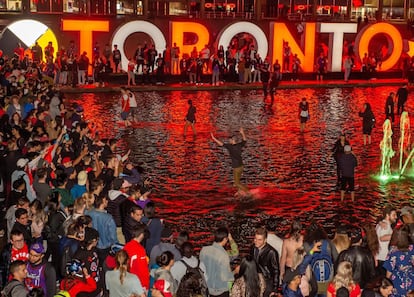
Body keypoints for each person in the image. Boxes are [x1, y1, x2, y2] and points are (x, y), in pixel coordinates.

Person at [211, 128, 249, 197]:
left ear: (233, 140)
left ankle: (249, 193)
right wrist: (242, 133)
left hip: (236, 167)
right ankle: (240, 191)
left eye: (230, 140)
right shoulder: (239, 145)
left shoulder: (230, 147)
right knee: (237, 181)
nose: (229, 141)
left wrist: (214, 138)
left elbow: (221, 144)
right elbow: (244, 140)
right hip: (241, 166)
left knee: (236, 183)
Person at [199, 227, 234, 297]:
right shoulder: (224, 255)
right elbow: (225, 277)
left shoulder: (204, 250)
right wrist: (234, 272)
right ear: (225, 239)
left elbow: (202, 268)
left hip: (208, 288)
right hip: (221, 290)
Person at [383, 226, 414, 297]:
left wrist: (387, 284)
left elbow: (389, 271)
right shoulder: (412, 248)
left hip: (397, 281)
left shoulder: (393, 251)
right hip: (411, 279)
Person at [250, 227, 280, 297]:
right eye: (255, 239)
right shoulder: (252, 248)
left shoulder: (272, 252)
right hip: (255, 279)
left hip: (267, 281)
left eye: (259, 240)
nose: (256, 241)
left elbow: (276, 271)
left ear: (265, 240)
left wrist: (275, 289)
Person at [123, 223, 150, 291]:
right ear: (141, 235)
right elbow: (143, 271)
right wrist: (146, 286)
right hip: (137, 283)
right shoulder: (140, 250)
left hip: (127, 279)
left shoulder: (126, 246)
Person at [375, 206, 397, 276]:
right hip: (383, 257)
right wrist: (397, 235)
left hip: (381, 257)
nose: (396, 217)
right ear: (387, 215)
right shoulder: (385, 225)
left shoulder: (383, 224)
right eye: (394, 215)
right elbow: (382, 238)